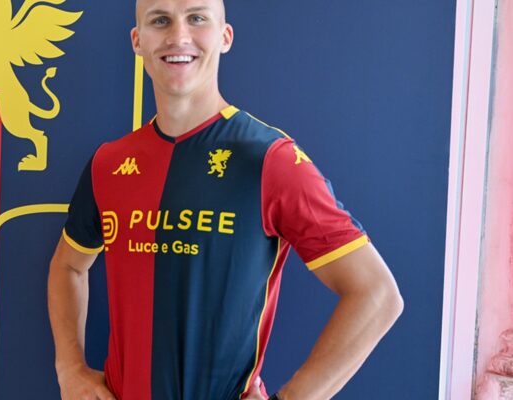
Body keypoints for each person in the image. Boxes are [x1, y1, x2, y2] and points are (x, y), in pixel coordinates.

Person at [47, 0, 404, 398]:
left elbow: (376, 295)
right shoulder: (109, 163)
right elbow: (68, 266)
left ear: (225, 36)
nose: (179, 36)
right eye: (160, 20)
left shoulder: (269, 160)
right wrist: (69, 368)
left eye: (197, 18)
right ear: (137, 40)